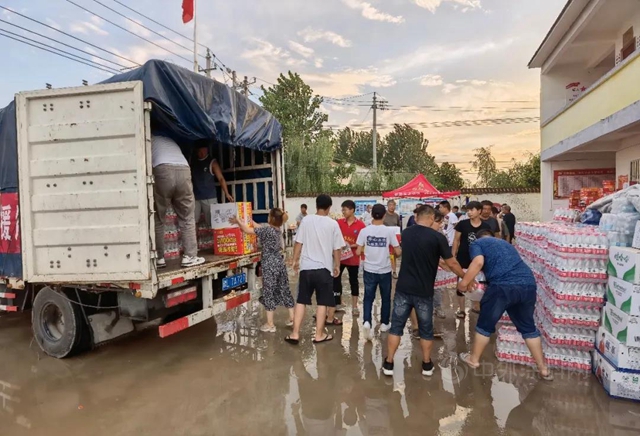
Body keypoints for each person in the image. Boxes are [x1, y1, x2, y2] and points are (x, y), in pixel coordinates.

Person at [457, 230, 553, 381]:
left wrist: (463, 283)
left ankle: (473, 359)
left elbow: (478, 262)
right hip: (527, 284)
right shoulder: (505, 244)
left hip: (502, 287)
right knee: (528, 327)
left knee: (485, 325)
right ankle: (543, 369)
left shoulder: (477, 243)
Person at [383, 205, 465, 377]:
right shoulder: (437, 237)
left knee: (396, 327)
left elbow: (419, 255)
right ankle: (427, 365)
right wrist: (464, 277)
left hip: (403, 289)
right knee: (426, 330)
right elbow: (451, 263)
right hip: (424, 292)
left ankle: (389, 363)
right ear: (430, 217)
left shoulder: (405, 234)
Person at [286, 195, 345, 345]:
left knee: (301, 301)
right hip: (324, 269)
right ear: (329, 207)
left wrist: (294, 260)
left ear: (316, 205)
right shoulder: (333, 224)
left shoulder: (306, 220)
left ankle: (294, 334)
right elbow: (337, 248)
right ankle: (319, 335)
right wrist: (337, 265)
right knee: (322, 303)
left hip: (306, 269)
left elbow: (298, 242)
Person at [230, 208, 294, 332]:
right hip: (279, 263)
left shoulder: (267, 230)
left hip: (269, 264)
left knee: (268, 292)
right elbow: (258, 227)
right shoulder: (276, 230)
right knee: (284, 289)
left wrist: (238, 221)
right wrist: (249, 220)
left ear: (271, 218)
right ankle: (292, 318)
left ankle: (270, 324)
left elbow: (248, 230)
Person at [152, 134, 205, 268]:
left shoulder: (147, 137)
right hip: (183, 169)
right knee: (187, 216)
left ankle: (159, 258)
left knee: (158, 217)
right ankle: (190, 256)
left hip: (162, 169)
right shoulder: (170, 139)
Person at [356, 204, 401, 341]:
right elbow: (398, 251)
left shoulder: (364, 231)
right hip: (385, 270)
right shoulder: (388, 232)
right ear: (384, 215)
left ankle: (367, 321)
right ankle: (384, 324)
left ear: (371, 215)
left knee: (368, 297)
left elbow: (358, 251)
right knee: (385, 298)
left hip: (369, 269)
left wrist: (369, 250)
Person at [452, 201, 491, 318]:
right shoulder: (462, 224)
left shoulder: (486, 227)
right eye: (468, 210)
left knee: (480, 283)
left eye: (472, 210)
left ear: (479, 211)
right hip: (463, 258)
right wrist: (453, 255)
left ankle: (477, 306)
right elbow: (456, 240)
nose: (469, 212)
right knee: (461, 283)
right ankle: (462, 310)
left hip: (480, 259)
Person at [332, 200, 366, 317]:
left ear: (352, 210)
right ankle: (337, 302)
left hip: (353, 259)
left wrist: (351, 245)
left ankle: (355, 306)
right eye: (342, 210)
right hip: (340, 258)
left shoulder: (361, 225)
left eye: (345, 209)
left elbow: (363, 242)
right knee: (336, 279)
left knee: (354, 282)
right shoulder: (339, 223)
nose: (343, 212)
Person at [191, 144, 234, 225]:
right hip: (195, 197)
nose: (202, 152)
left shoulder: (212, 162)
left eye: (204, 149)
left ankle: (213, 237)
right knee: (193, 222)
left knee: (212, 221)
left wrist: (227, 193)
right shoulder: (193, 162)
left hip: (209, 197)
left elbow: (221, 178)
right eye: (200, 150)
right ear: (197, 150)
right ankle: (194, 238)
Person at [383, 200, 401, 279]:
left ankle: (394, 271)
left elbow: (398, 226)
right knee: (384, 254)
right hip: (384, 237)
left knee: (393, 255)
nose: (392, 207)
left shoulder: (396, 216)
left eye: (393, 205)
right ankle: (385, 270)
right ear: (387, 206)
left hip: (394, 238)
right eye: (390, 205)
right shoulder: (384, 215)